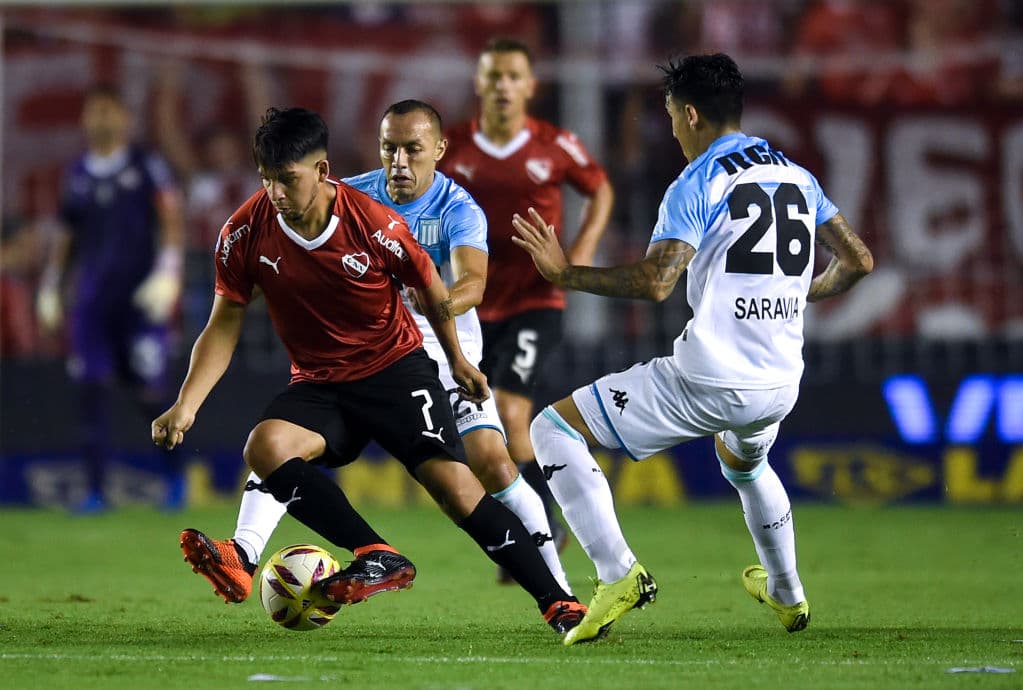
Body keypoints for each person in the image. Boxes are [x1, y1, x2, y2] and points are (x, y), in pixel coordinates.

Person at [157, 107, 584, 634]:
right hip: (320, 382)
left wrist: (455, 361)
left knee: (459, 486)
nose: (277, 195)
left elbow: (432, 286)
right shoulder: (244, 232)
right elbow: (223, 324)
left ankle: (558, 601)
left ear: (320, 171)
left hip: (396, 371)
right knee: (265, 447)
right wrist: (186, 404)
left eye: (287, 181)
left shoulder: (374, 222)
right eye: (267, 180)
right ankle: (371, 552)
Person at [511, 53, 874, 645]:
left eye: (672, 116)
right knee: (746, 462)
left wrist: (564, 273)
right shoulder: (795, 174)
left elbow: (657, 282)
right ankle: (788, 594)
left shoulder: (699, 180)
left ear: (693, 113)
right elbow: (858, 260)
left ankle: (617, 575)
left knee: (553, 429)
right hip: (780, 381)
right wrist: (799, 293)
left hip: (710, 379)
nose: (672, 129)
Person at [439, 38, 614, 581]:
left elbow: (600, 188)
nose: (503, 86)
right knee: (480, 433)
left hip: (536, 300)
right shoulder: (455, 147)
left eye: (513, 75)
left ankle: (545, 532)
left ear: (531, 86)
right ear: (479, 84)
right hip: (471, 306)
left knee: (512, 413)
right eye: (493, 76)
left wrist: (580, 253)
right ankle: (533, 527)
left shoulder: (555, 144)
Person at [36, 84, 187, 513]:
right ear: (85, 119)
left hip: (140, 303)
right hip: (92, 304)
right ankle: (95, 491)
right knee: (91, 390)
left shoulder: (145, 166)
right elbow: (67, 233)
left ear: (125, 117)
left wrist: (169, 270)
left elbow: (170, 216)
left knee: (148, 393)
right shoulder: (79, 172)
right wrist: (52, 282)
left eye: (108, 111)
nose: (101, 119)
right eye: (94, 112)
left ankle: (175, 478)